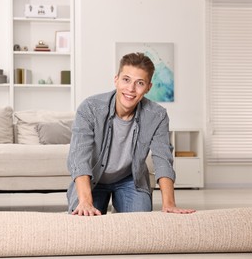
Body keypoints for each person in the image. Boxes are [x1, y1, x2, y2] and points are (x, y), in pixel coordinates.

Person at [66, 52, 196, 216]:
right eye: (126, 80)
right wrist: (85, 202)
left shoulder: (157, 115)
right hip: (92, 179)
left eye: (140, 83)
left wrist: (169, 203)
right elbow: (79, 156)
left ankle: (120, 204)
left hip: (130, 179)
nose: (131, 89)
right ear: (116, 79)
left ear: (148, 87)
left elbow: (163, 159)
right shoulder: (90, 108)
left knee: (140, 224)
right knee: (84, 219)